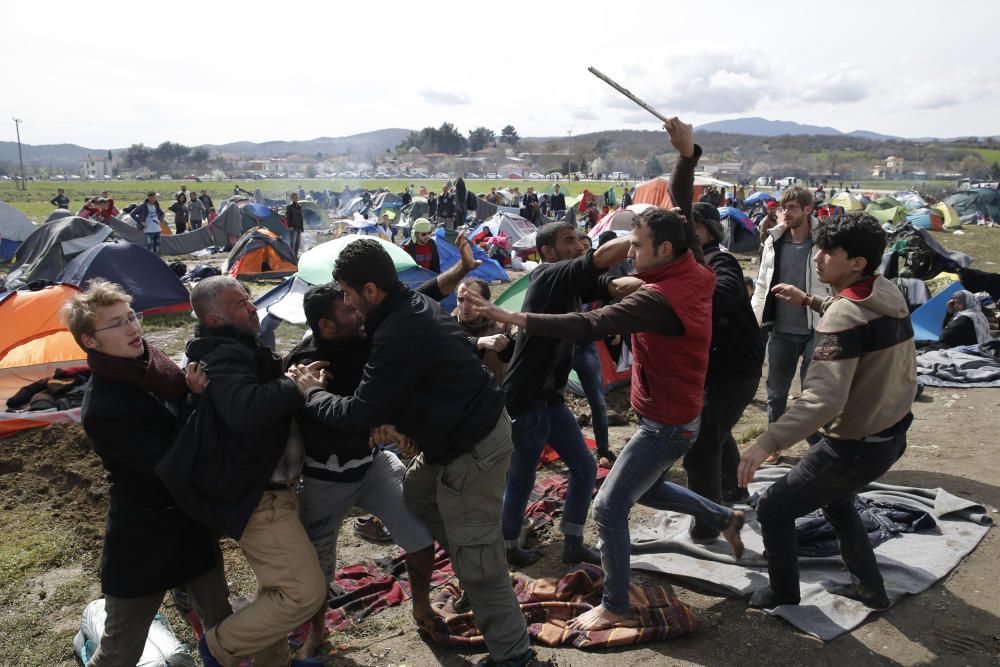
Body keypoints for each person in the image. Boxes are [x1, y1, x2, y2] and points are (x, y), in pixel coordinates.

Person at [467, 119, 744, 631]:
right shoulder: (692, 264)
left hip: (666, 423)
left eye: (637, 247)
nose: (628, 255)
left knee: (610, 509)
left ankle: (615, 603)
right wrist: (686, 156)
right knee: (645, 487)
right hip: (671, 415)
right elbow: (681, 211)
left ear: (663, 251)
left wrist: (509, 318)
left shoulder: (660, 298)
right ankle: (723, 516)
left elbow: (588, 323)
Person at [285, 238, 535, 667]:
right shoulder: (400, 307)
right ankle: (473, 563)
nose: (345, 302)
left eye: (346, 293)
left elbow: (362, 410)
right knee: (418, 497)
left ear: (369, 290)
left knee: (479, 559)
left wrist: (311, 394)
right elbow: (429, 294)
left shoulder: (398, 329)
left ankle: (513, 655)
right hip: (448, 443)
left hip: (472, 448)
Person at [738, 212, 916, 610]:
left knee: (773, 506)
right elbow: (854, 316)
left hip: (854, 446)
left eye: (829, 252)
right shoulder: (886, 292)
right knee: (838, 502)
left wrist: (766, 441)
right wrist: (811, 301)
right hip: (890, 433)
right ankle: (870, 589)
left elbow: (824, 399)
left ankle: (783, 592)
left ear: (857, 263)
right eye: (818, 249)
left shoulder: (845, 314)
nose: (817, 258)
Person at [156, 276, 326, 667]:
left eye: (248, 299)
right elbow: (245, 411)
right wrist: (295, 386)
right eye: (239, 304)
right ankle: (219, 648)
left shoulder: (235, 348)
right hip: (261, 496)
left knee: (276, 589)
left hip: (268, 490)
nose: (251, 307)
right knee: (303, 592)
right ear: (215, 320)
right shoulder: (223, 356)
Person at [66, 280, 232, 666]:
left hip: (190, 525)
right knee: (120, 652)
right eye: (117, 324)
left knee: (222, 626)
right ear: (90, 341)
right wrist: (194, 400)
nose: (132, 328)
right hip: (143, 539)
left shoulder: (151, 366)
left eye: (131, 317)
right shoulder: (104, 407)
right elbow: (170, 462)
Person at [288, 283, 435, 658]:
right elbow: (326, 422)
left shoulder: (369, 339)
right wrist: (371, 423)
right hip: (324, 479)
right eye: (348, 311)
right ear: (326, 325)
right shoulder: (306, 366)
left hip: (373, 466)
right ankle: (317, 633)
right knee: (317, 573)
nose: (358, 313)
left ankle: (422, 608)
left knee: (420, 537)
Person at [493, 216, 639, 567]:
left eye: (579, 239)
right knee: (522, 477)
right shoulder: (547, 275)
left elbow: (612, 285)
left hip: (552, 396)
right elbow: (599, 260)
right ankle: (507, 545)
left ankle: (572, 541)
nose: (578, 245)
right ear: (547, 251)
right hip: (527, 397)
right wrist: (643, 234)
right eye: (569, 241)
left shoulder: (570, 283)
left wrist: (653, 282)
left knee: (585, 467)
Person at [684, 203, 764, 515]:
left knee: (701, 448)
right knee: (716, 428)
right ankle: (734, 489)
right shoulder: (694, 261)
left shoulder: (719, 260)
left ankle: (707, 522)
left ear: (709, 230)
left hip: (735, 368)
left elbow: (727, 292)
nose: (687, 232)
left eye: (693, 226)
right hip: (717, 367)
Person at [752, 186, 826, 462]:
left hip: (815, 329)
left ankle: (817, 445)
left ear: (808, 209)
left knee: (813, 393)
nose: (786, 213)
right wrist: (754, 318)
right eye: (784, 208)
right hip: (781, 329)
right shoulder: (774, 242)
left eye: (793, 207)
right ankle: (773, 446)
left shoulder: (823, 242)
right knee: (776, 392)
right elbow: (761, 283)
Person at [455, 278, 515, 383]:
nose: (465, 306)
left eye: (472, 300)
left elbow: (521, 332)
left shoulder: (503, 322)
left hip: (501, 392)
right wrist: (479, 342)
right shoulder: (448, 324)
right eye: (461, 299)